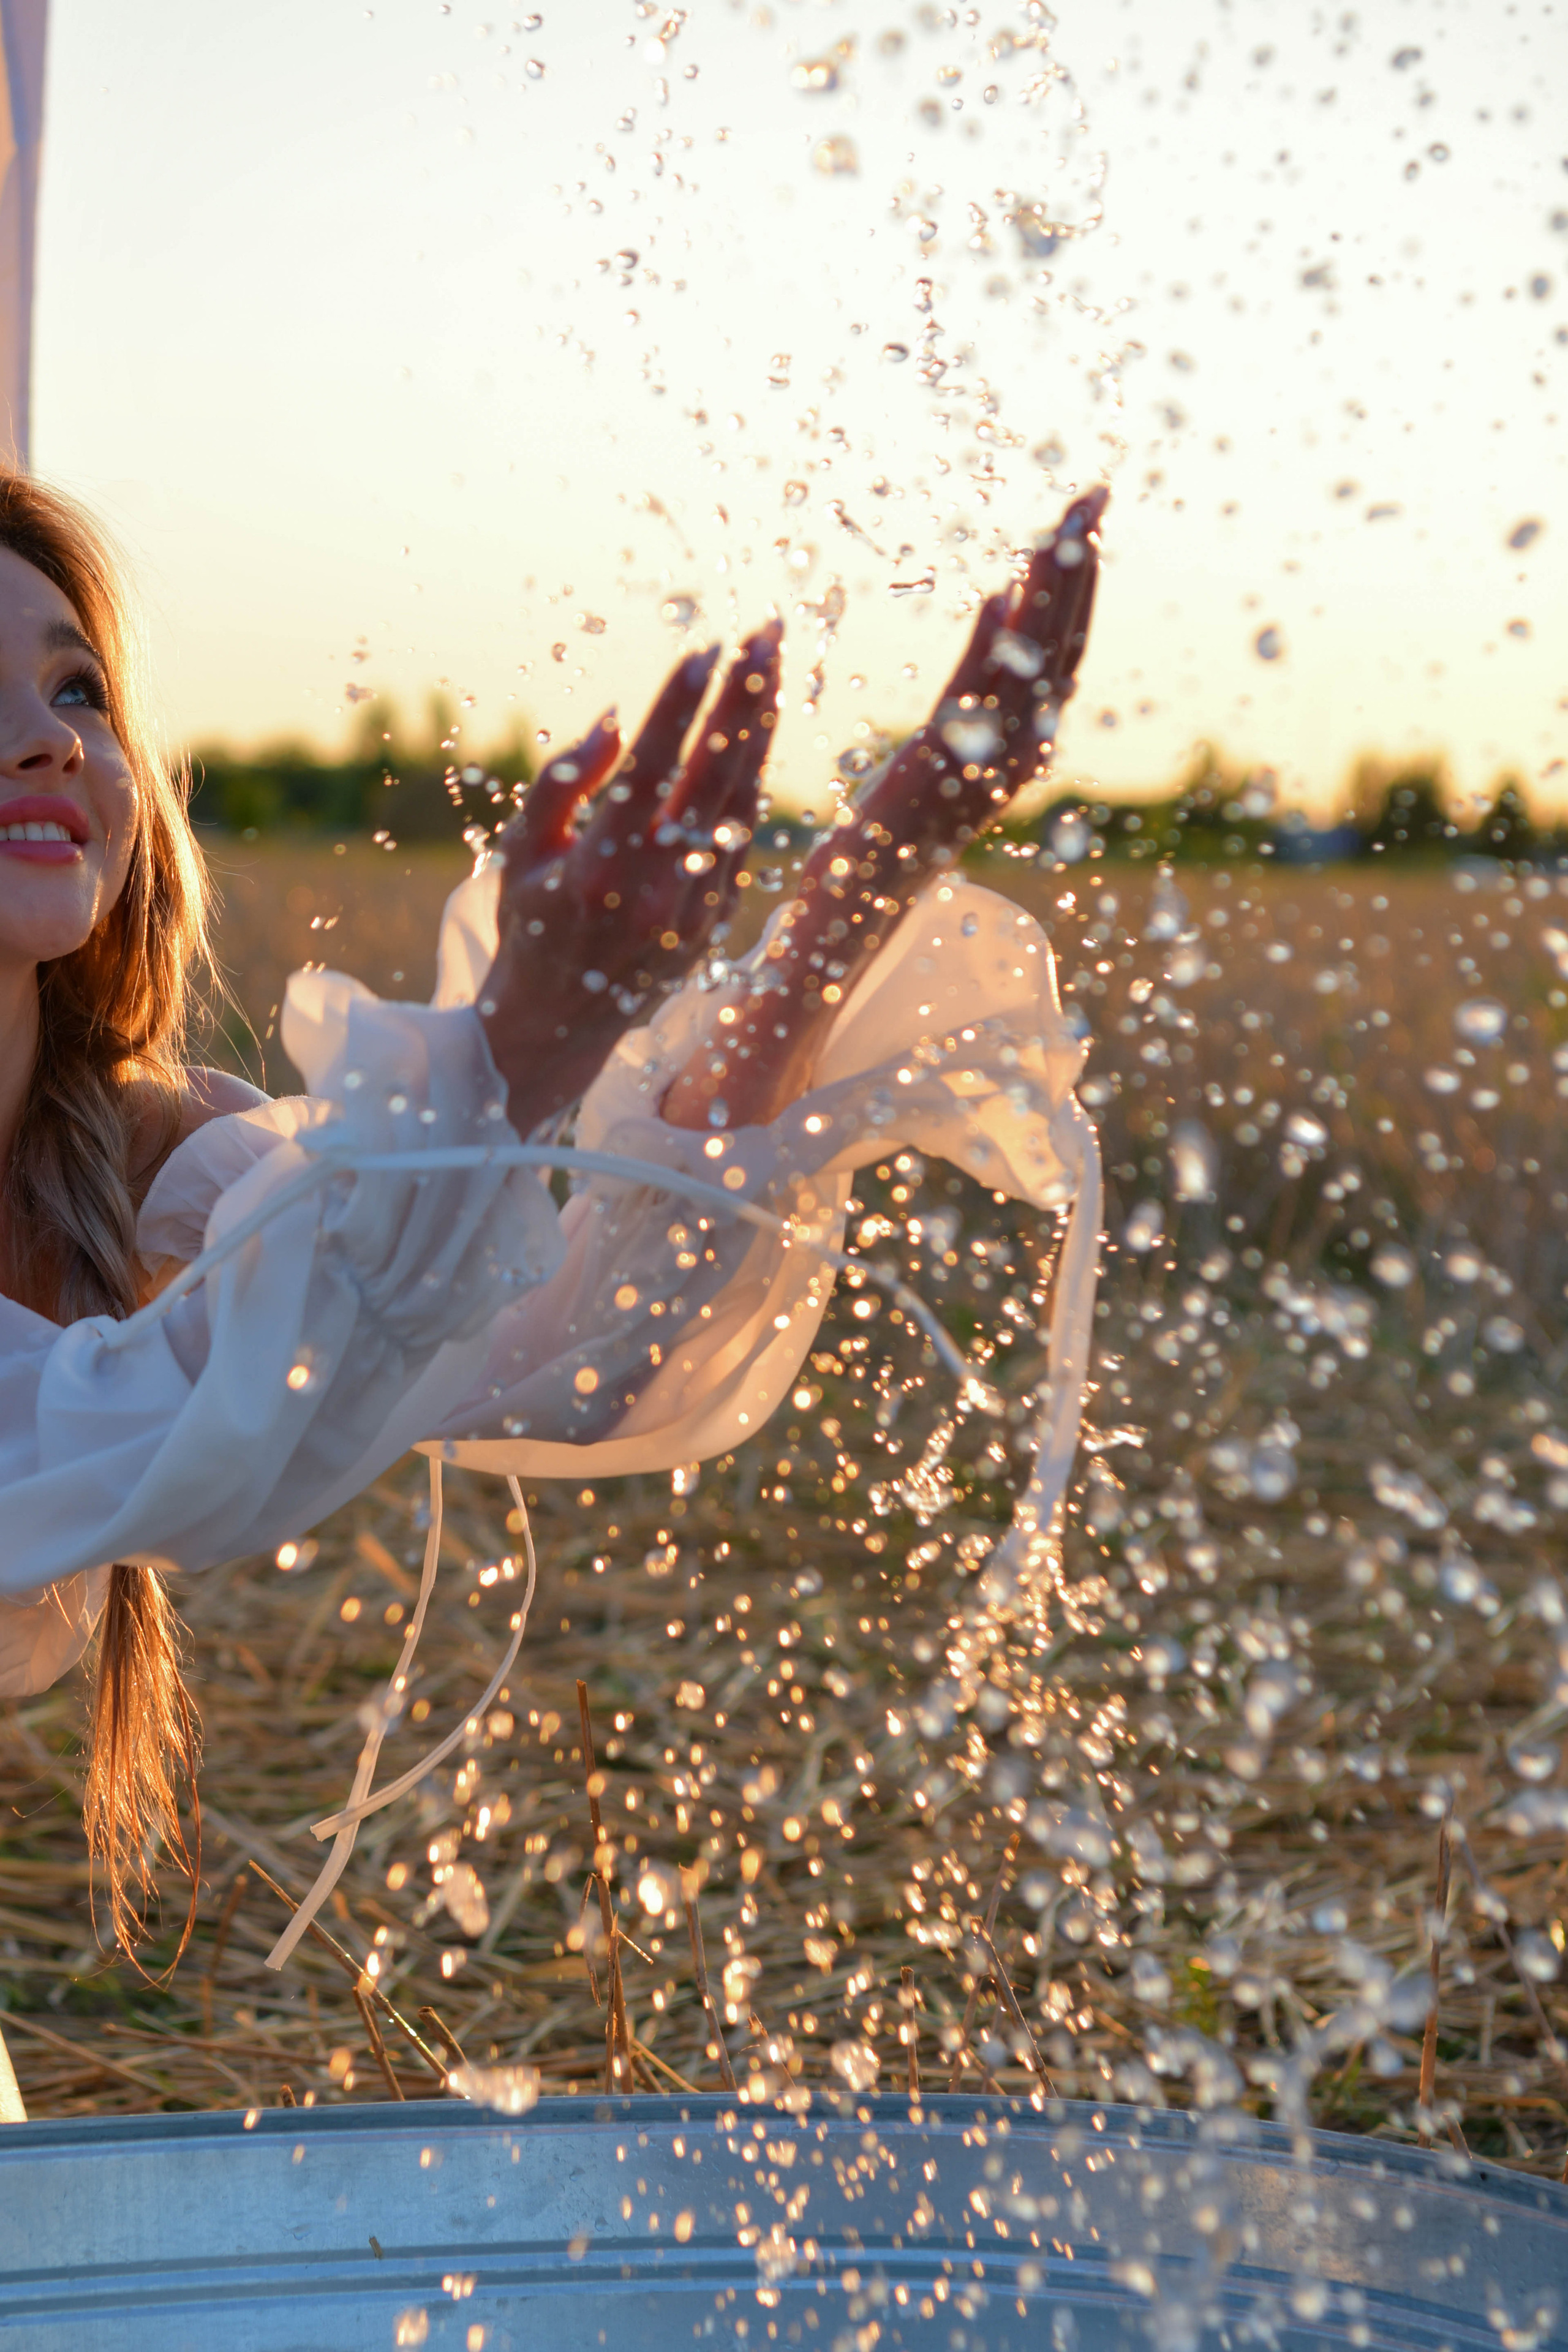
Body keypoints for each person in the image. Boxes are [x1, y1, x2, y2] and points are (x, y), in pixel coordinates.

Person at [0, 471, 1107, 2005]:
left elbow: (566, 1355)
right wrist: (517, 1043)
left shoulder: (141, 1149)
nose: (55, 734)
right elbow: (180, 1425)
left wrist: (859, 882)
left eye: (76, 684)